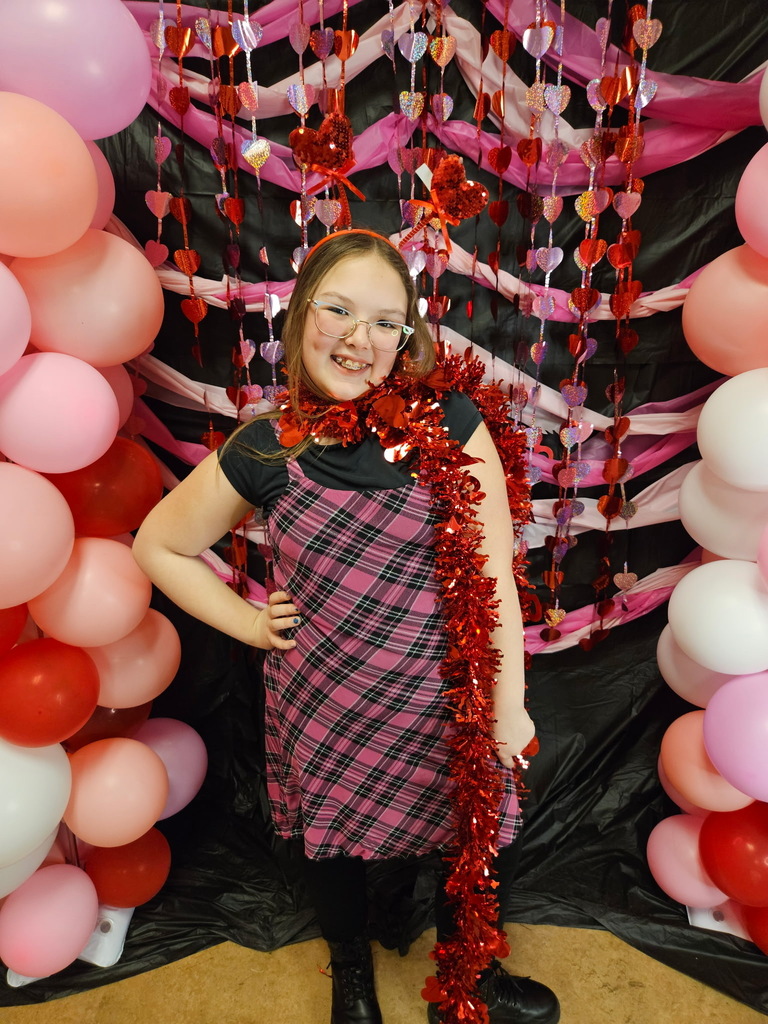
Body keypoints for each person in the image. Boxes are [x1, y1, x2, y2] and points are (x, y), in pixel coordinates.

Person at [133, 229, 559, 1024]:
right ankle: (351, 976)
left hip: (441, 695)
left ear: (407, 338)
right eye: (338, 309)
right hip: (327, 698)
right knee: (335, 842)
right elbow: (160, 545)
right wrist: (251, 623)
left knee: (465, 830)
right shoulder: (267, 446)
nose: (359, 340)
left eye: (385, 322)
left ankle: (465, 977)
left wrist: (507, 704)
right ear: (299, 315)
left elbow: (496, 572)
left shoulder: (455, 424)